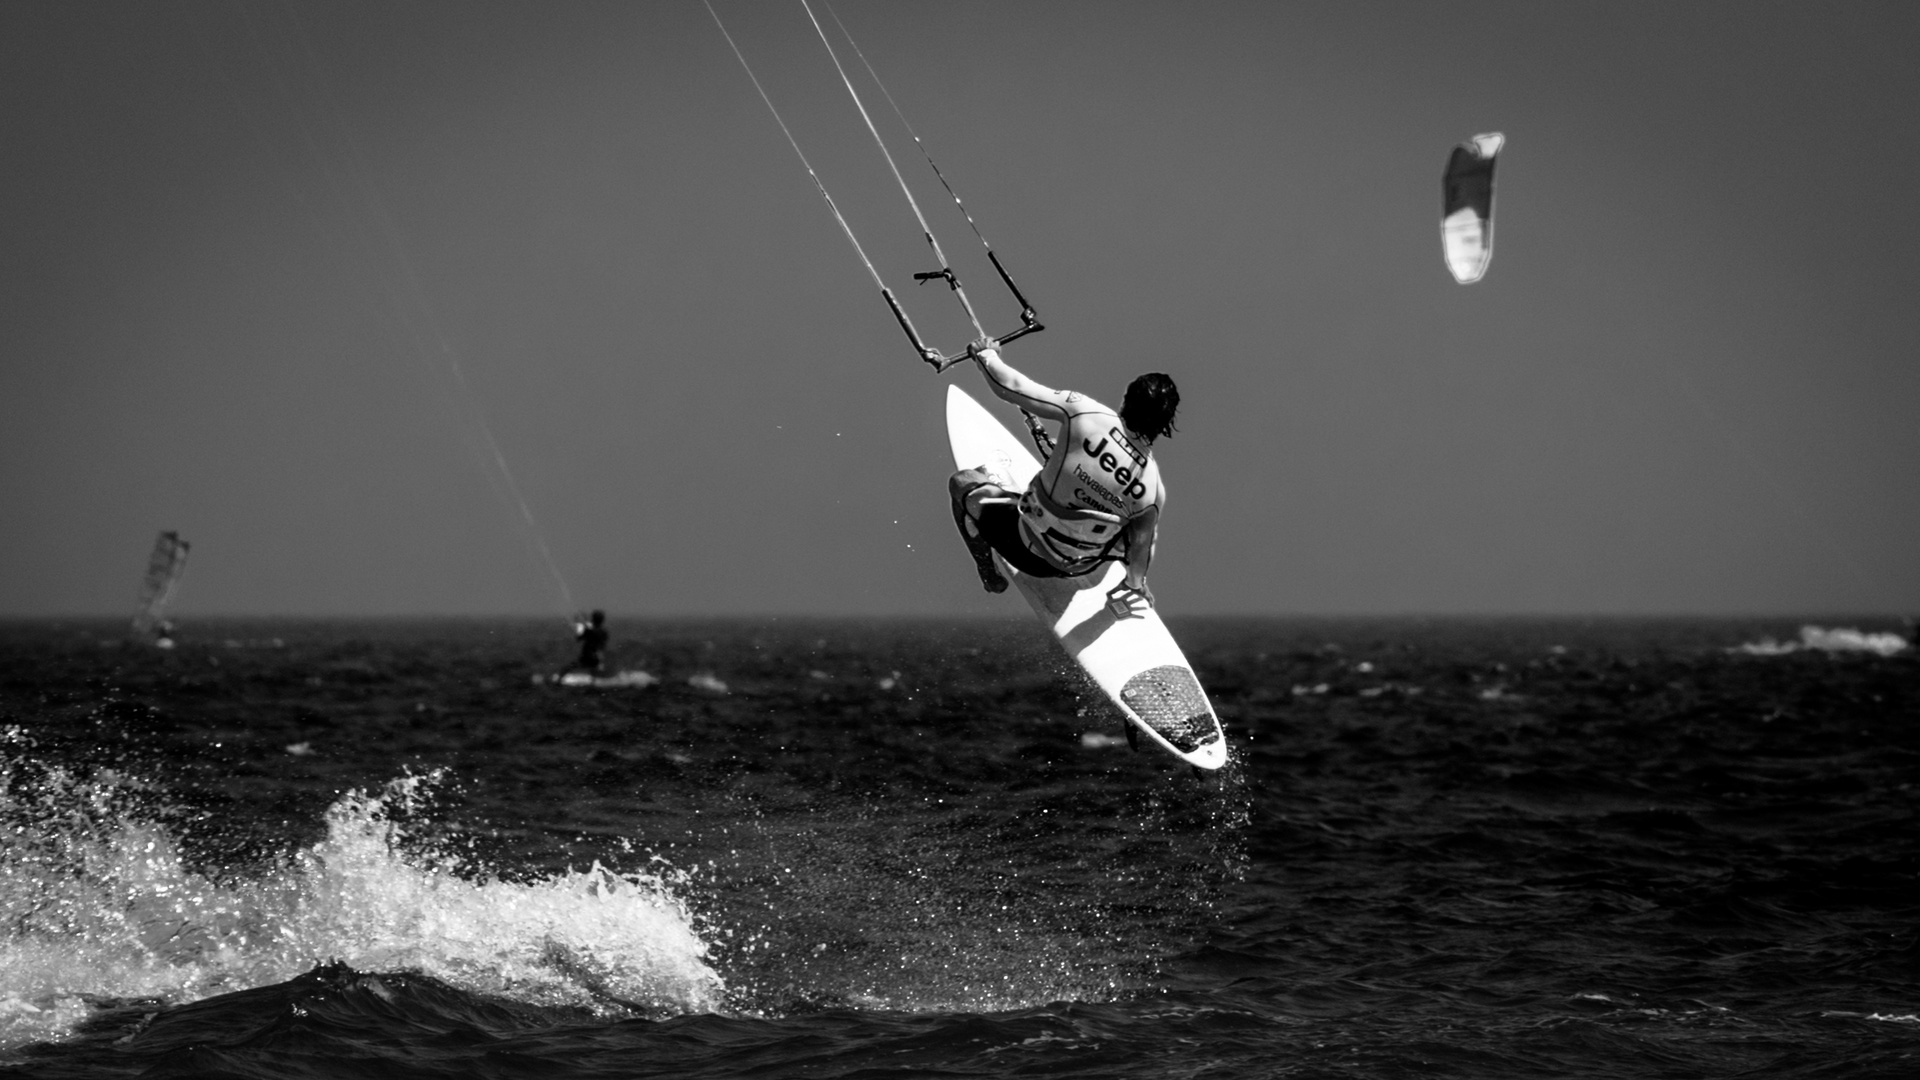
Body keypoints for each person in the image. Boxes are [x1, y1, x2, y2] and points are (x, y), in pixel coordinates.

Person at [948, 344, 1177, 615]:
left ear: (1126, 400)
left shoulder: (1085, 413)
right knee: (1136, 522)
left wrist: (986, 354)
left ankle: (989, 573)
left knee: (962, 481)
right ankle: (1106, 563)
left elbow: (1010, 386)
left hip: (1025, 549)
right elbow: (1142, 549)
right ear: (1165, 424)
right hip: (1080, 566)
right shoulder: (1152, 486)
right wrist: (1136, 583)